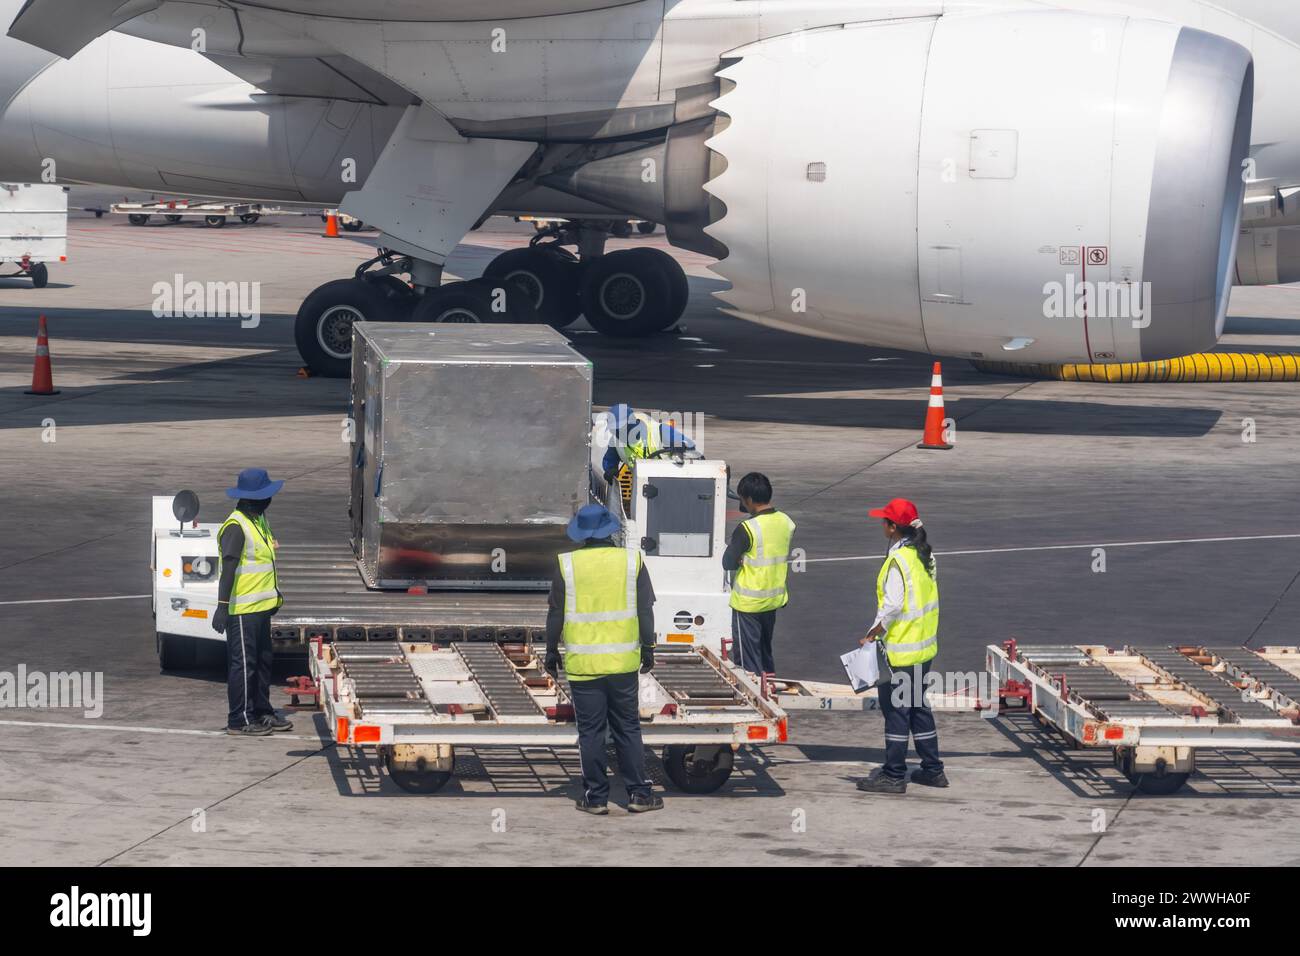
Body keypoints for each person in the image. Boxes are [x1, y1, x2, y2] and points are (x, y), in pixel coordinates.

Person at [544, 503, 663, 814]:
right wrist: (648, 647)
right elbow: (645, 610)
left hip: (584, 666)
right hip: (623, 663)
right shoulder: (631, 561)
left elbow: (556, 612)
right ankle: (638, 794)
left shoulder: (566, 564)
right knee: (627, 728)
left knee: (591, 732)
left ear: (581, 534)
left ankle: (596, 798)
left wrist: (551, 650)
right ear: (611, 530)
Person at [857, 498, 947, 793]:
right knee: (918, 707)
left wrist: (872, 633)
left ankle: (894, 774)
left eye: (884, 521)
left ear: (893, 527)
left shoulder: (899, 561)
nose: (881, 524)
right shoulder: (925, 555)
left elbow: (893, 606)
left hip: (901, 651)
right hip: (924, 649)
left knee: (896, 711)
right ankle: (933, 770)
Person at [211, 468, 292, 737]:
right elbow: (229, 570)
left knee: (263, 662)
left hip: (261, 608)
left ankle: (261, 710)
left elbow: (264, 562)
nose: (270, 500)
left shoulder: (258, 519)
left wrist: (273, 596)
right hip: (243, 611)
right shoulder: (236, 527)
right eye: (266, 496)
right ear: (251, 499)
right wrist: (222, 607)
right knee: (244, 665)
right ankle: (239, 719)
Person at [723, 473, 796, 675]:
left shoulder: (747, 528)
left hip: (748, 603)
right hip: (772, 600)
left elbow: (727, 561)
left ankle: (755, 697)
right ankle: (769, 686)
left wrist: (740, 559)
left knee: (748, 662)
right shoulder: (786, 522)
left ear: (749, 500)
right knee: (765, 654)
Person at [600, 403, 694, 482]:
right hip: (642, 488)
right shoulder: (616, 442)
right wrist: (610, 470)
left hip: (671, 483)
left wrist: (680, 446)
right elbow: (609, 460)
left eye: (619, 429)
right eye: (613, 430)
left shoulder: (659, 431)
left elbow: (690, 446)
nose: (616, 433)